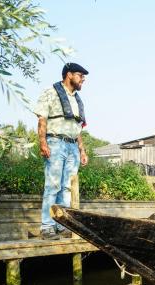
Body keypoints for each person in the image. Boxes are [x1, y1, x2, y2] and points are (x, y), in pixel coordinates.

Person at [35, 62, 90, 240]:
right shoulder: (50, 92)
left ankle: (61, 226)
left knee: (66, 187)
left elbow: (77, 128)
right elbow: (42, 119)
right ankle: (47, 226)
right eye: (80, 76)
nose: (83, 80)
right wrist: (42, 142)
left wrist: (82, 150)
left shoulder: (76, 99)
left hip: (73, 145)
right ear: (69, 75)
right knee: (53, 185)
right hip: (56, 142)